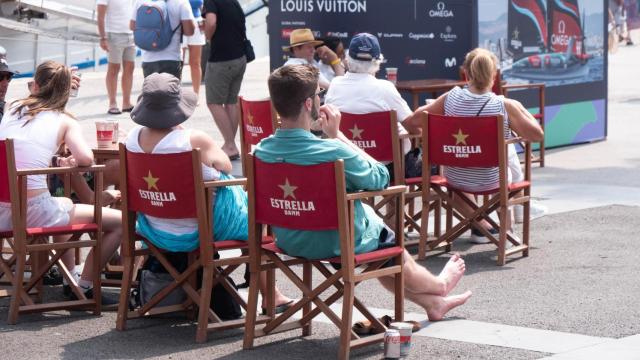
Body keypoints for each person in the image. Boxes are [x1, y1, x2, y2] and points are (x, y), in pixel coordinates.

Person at [255, 64, 471, 321]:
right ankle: (438, 285)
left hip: (290, 239)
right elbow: (381, 177)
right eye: (317, 96)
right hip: (336, 242)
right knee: (384, 244)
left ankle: (433, 304)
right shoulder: (333, 150)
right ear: (308, 104)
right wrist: (338, 136)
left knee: (376, 238)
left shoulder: (260, 152)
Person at [126, 72, 293, 313]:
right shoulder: (193, 139)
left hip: (155, 228)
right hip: (198, 229)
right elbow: (225, 165)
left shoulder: (131, 140)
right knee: (257, 223)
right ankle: (271, 296)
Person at [0, 60, 122, 305]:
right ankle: (84, 286)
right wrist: (70, 162)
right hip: (31, 213)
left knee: (64, 204)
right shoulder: (65, 121)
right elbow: (86, 158)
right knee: (120, 223)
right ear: (67, 91)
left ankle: (71, 278)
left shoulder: (12, 109)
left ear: (35, 85)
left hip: (2, 210)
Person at [407, 48, 544, 243]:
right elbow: (536, 134)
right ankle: (507, 231)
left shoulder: (449, 98)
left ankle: (481, 226)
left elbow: (412, 121)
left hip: (455, 180)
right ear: (494, 75)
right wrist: (519, 107)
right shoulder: (503, 105)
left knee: (462, 172)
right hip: (494, 180)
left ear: (467, 73)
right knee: (509, 156)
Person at [325, 33, 422, 180]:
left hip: (348, 167)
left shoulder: (334, 85)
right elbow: (414, 128)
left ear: (348, 59)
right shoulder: (385, 88)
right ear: (377, 61)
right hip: (389, 169)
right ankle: (396, 199)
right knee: (430, 165)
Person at [202, 0, 248, 160]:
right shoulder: (233, 2)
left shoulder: (211, 1)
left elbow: (212, 22)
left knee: (213, 102)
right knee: (230, 101)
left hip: (221, 59)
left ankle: (230, 144)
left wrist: (208, 36)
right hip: (239, 57)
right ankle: (230, 144)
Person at [130, 0, 195, 79]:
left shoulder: (140, 1)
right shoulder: (180, 2)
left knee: (151, 90)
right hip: (172, 58)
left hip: (148, 59)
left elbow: (132, 26)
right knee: (171, 90)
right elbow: (189, 31)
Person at [97, 0, 136, 115]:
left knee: (130, 68)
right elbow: (100, 16)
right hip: (113, 35)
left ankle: (126, 103)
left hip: (130, 35)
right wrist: (103, 38)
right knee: (114, 69)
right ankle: (112, 103)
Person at [182, 0, 206, 95]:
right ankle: (175, 96)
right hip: (179, 22)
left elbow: (203, 6)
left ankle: (195, 96)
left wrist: (205, 19)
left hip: (197, 23)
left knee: (195, 62)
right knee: (179, 62)